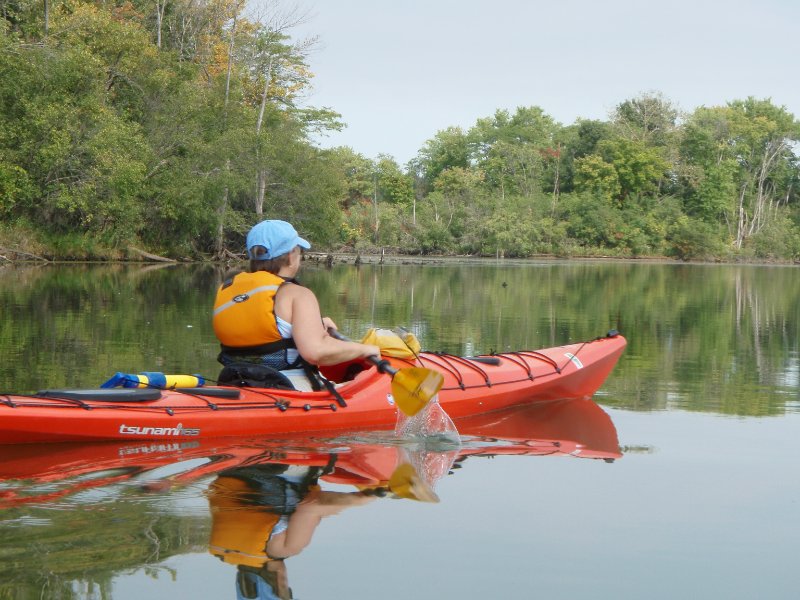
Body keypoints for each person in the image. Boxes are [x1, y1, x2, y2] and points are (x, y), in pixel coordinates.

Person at [213, 220, 380, 390]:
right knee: (366, 385)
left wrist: (315, 324)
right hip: (286, 388)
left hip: (235, 382)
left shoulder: (227, 289)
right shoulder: (297, 294)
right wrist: (365, 349)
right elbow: (315, 352)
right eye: (299, 252)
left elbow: (261, 328)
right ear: (292, 255)